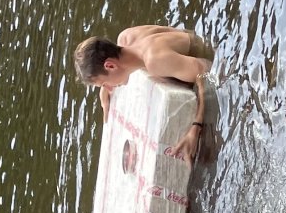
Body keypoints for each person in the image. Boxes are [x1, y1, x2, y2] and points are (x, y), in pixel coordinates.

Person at [73, 26, 213, 161]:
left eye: (104, 84)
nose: (108, 88)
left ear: (110, 65)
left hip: (210, 59)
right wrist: (104, 89)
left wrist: (196, 127)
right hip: (200, 40)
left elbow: (204, 72)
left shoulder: (154, 61)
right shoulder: (126, 38)